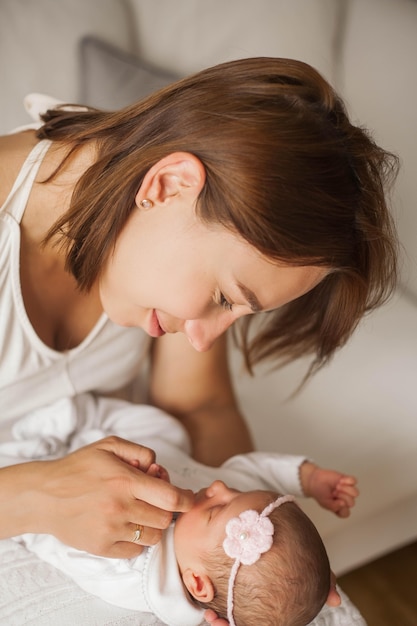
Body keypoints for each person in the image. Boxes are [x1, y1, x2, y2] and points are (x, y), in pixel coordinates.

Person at [0, 57, 397, 567]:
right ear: (167, 185)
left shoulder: (146, 220)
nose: (203, 340)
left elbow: (200, 406)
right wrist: (39, 498)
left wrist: (249, 557)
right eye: (226, 298)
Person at [5, 394, 359, 626]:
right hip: (131, 442)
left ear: (196, 582)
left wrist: (43, 500)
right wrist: (308, 478)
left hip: (64, 478)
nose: (218, 487)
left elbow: (61, 539)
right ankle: (83, 416)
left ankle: (37, 442)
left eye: (211, 511)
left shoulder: (135, 573)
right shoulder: (227, 512)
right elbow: (256, 471)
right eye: (235, 492)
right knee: (167, 430)